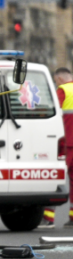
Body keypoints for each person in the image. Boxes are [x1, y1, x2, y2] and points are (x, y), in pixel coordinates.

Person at [53, 67, 73, 227]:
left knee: (55, 177)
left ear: (59, 79)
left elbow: (52, 113)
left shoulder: (62, 90)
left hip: (68, 142)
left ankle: (47, 218)